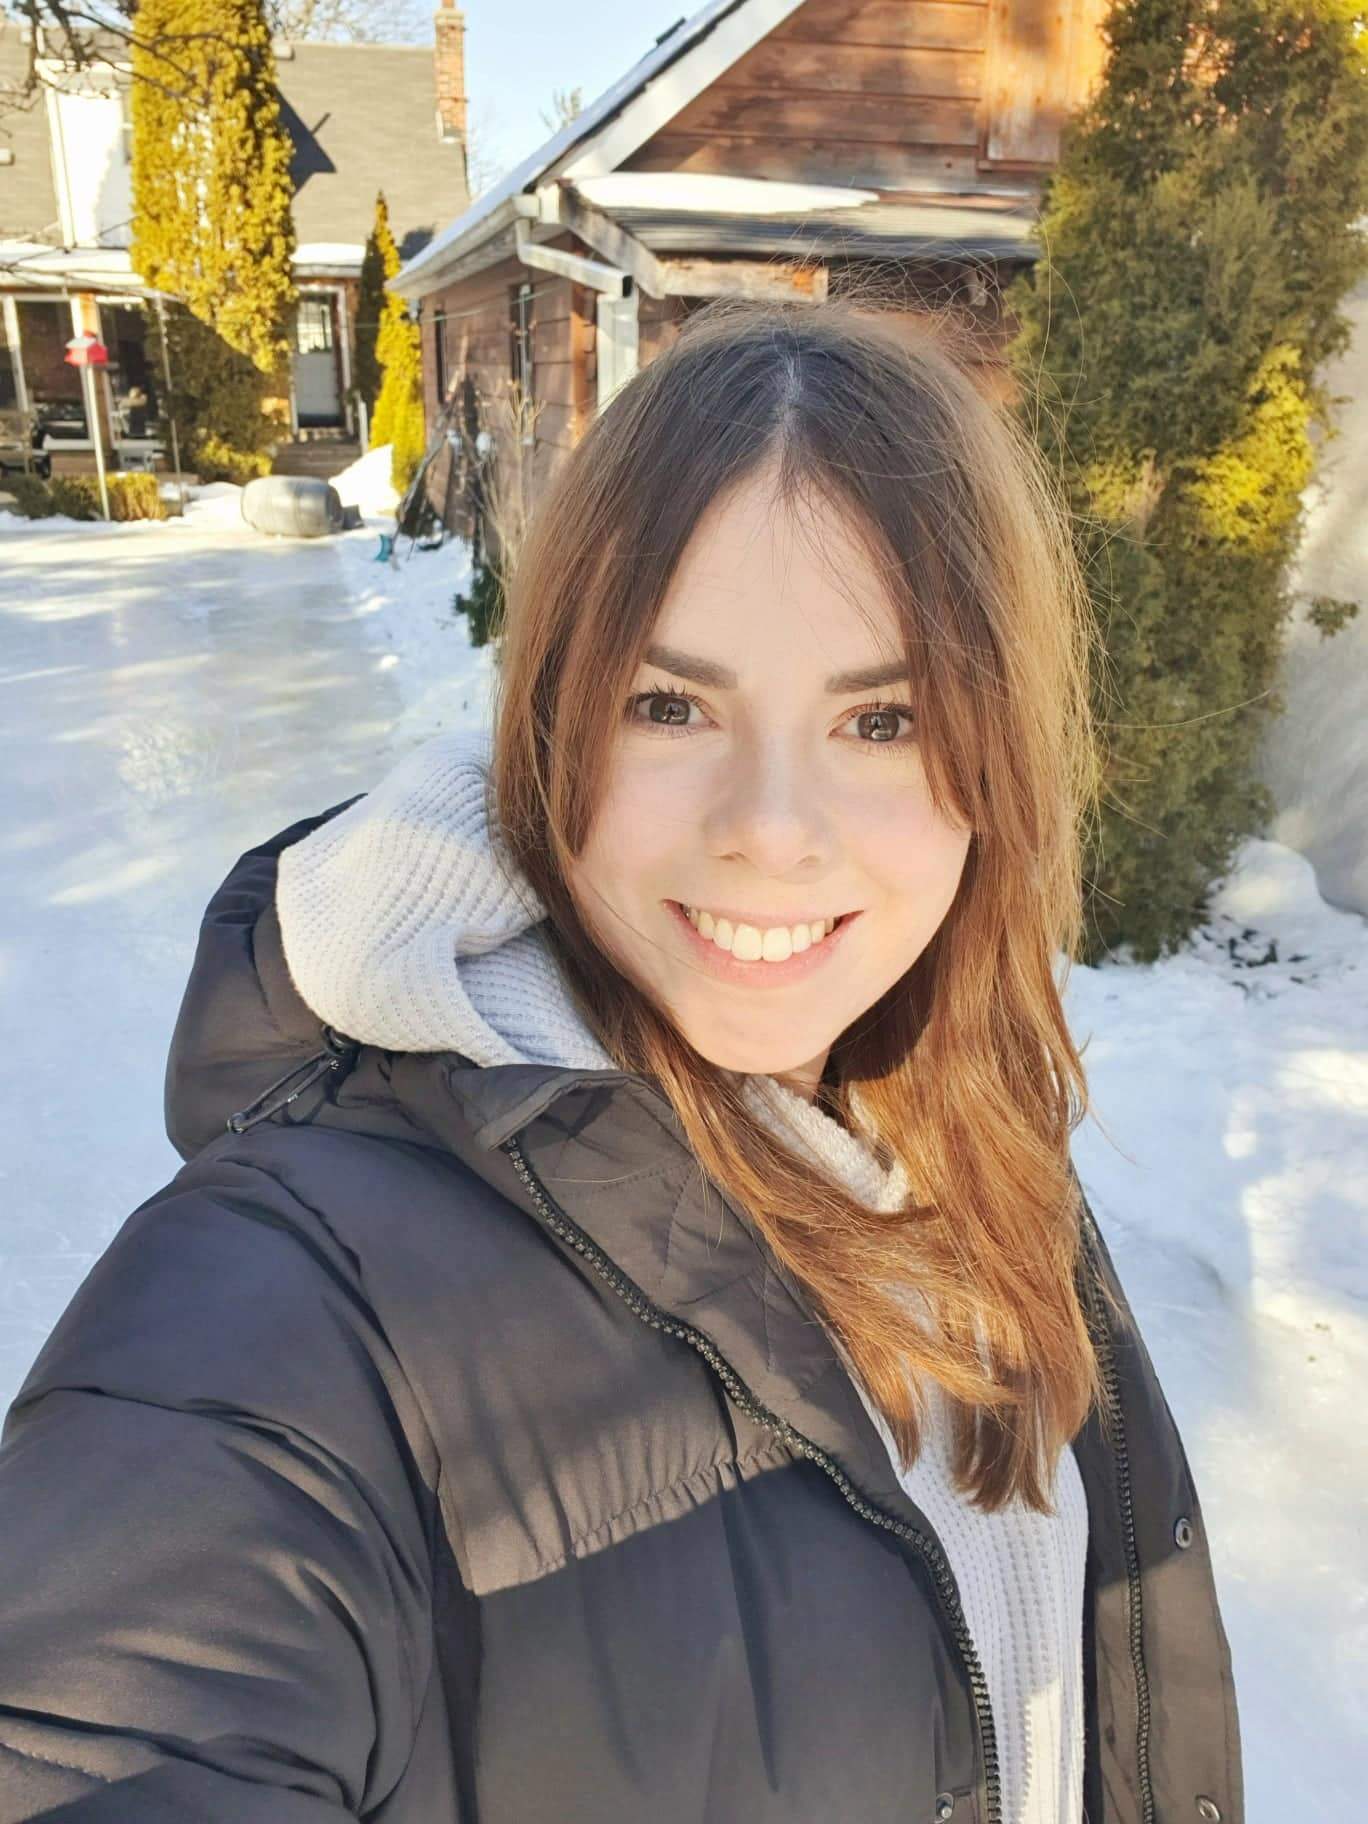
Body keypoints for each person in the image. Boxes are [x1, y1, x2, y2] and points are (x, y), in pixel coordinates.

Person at [0, 298, 1242, 1824]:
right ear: (553, 724)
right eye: (671, 705)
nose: (772, 830)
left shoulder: (959, 1131)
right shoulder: (289, 1306)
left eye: (883, 717)